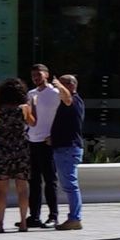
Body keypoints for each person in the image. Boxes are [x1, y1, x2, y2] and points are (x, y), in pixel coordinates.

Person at [0, 77, 31, 230]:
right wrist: (32, 108)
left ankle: (0, 224)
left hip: (2, 149)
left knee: (2, 189)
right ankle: (23, 222)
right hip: (21, 148)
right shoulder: (24, 107)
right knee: (22, 188)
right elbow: (32, 123)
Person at [19, 64, 61, 230]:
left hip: (47, 141)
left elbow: (62, 116)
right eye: (33, 75)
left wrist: (55, 135)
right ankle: (34, 216)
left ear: (47, 75)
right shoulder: (31, 93)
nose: (35, 78)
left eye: (38, 74)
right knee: (34, 181)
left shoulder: (55, 93)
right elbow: (30, 118)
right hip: (32, 140)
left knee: (50, 180)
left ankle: (53, 216)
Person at [45, 72, 87, 229]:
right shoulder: (69, 103)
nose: (57, 90)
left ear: (71, 86)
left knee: (70, 185)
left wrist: (59, 85)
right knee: (69, 185)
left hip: (67, 150)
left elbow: (67, 97)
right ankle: (74, 217)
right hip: (65, 148)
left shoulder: (73, 100)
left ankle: (75, 218)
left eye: (61, 86)